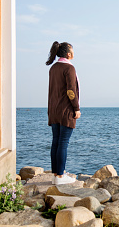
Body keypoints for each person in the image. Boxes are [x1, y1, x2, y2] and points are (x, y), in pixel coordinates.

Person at [46, 41, 81, 184]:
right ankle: (60, 176)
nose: (74, 53)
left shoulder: (53, 68)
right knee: (63, 143)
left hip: (54, 110)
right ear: (68, 54)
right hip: (66, 110)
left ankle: (56, 175)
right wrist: (76, 108)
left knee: (56, 142)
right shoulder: (69, 68)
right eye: (73, 51)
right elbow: (71, 91)